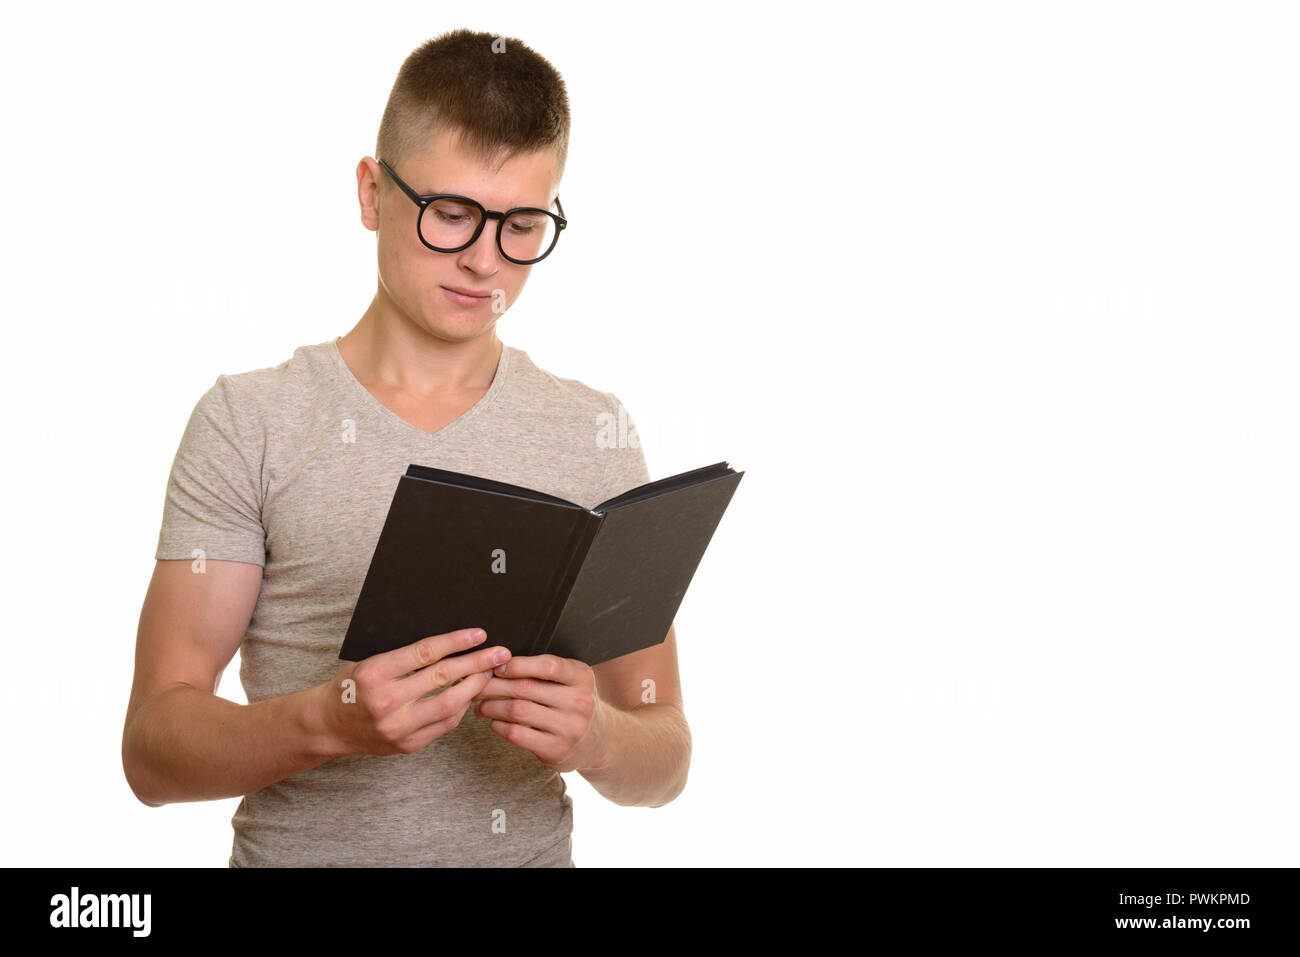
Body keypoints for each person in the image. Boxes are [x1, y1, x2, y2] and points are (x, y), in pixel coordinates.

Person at [121, 28, 690, 867]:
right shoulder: (251, 420)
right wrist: (328, 719)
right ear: (370, 193)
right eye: (451, 214)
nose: (484, 261)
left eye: (522, 224)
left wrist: (597, 737)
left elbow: (666, 749)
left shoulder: (592, 433)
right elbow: (152, 750)